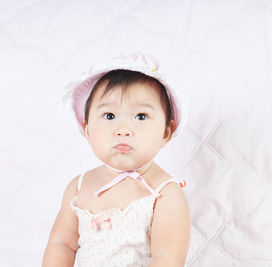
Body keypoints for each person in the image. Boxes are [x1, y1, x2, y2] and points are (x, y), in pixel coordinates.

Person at [42, 53, 190, 267]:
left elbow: (168, 259)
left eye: (141, 116)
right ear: (87, 129)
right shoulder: (79, 187)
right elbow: (61, 244)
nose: (123, 130)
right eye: (109, 116)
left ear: (166, 133)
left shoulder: (165, 193)